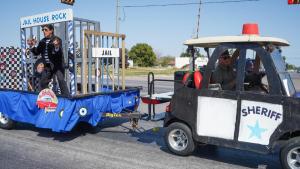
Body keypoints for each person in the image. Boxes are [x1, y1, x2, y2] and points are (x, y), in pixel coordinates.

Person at [27, 24, 70, 96]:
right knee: (43, 83)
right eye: (43, 30)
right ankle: (48, 97)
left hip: (57, 65)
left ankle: (67, 98)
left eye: (46, 30)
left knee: (61, 80)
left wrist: (56, 47)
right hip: (47, 66)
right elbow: (37, 52)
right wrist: (32, 46)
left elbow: (58, 53)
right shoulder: (42, 42)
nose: (44, 31)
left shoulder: (57, 39)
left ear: (51, 31)